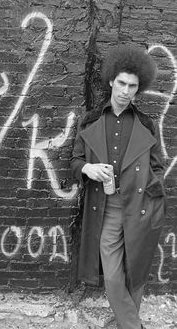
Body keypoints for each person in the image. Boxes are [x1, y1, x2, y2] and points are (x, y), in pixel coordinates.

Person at [70, 45, 166, 329]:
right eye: (121, 83)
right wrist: (88, 168)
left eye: (132, 86)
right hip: (108, 207)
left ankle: (122, 323)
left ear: (139, 88)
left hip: (141, 208)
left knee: (134, 272)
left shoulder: (146, 125)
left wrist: (148, 188)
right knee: (112, 275)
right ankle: (132, 325)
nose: (125, 91)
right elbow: (75, 161)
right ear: (112, 80)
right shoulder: (90, 120)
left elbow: (158, 168)